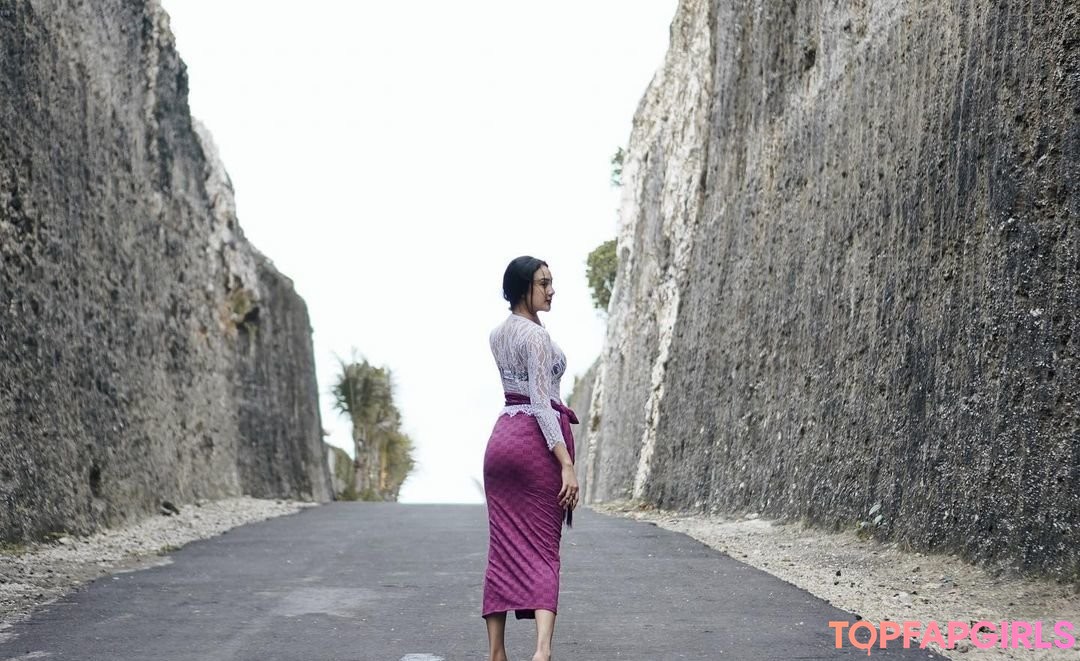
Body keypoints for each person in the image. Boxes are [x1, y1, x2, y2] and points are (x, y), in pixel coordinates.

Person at [481, 256, 580, 661]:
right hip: (533, 444)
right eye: (544, 283)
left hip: (501, 440)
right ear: (524, 288)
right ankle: (542, 652)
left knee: (502, 546)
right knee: (543, 548)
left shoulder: (498, 334)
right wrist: (566, 463)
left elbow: (521, 393)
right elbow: (541, 403)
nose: (552, 290)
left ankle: (497, 652)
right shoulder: (536, 337)